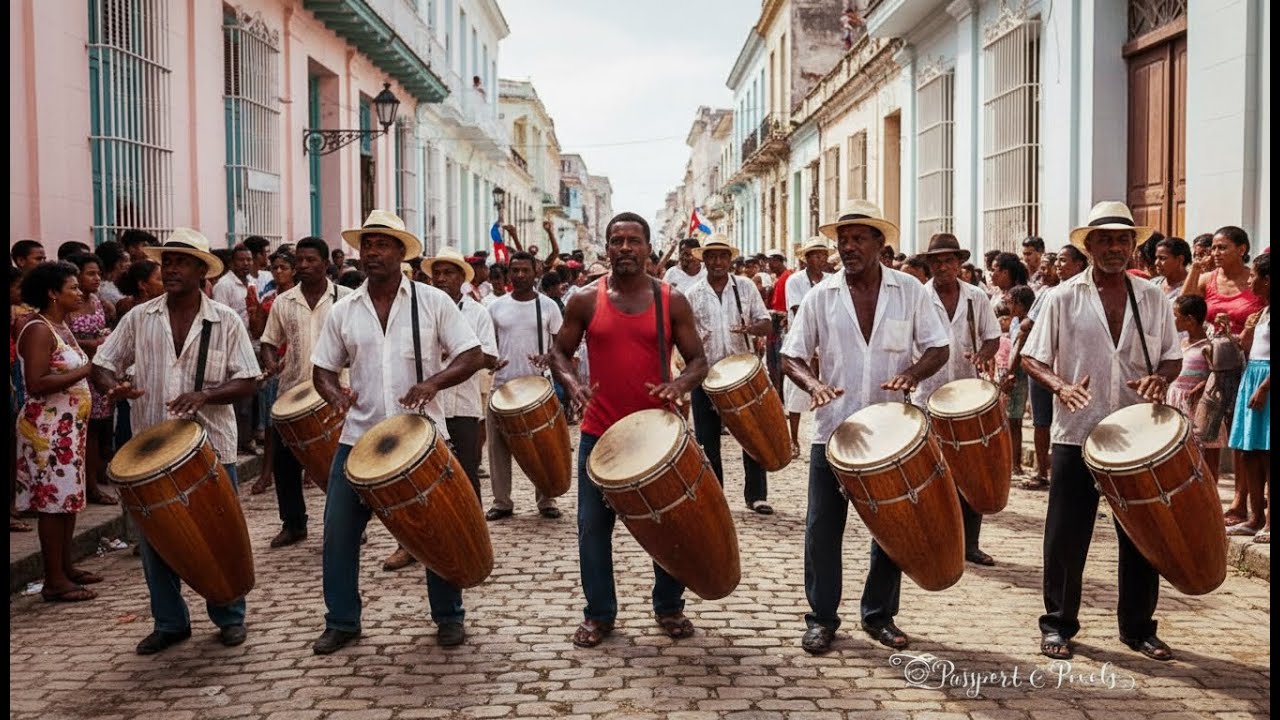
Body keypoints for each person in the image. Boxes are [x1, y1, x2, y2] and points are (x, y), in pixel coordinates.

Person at [309, 210, 484, 654]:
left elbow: (472, 354)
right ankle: (342, 621)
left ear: (401, 252)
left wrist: (433, 383)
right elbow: (322, 369)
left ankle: (448, 617)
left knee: (437, 532)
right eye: (366, 244)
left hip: (423, 439)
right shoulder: (344, 309)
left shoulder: (432, 302)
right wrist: (334, 396)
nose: (371, 252)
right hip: (359, 440)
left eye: (381, 244)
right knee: (338, 534)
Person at [781, 200, 950, 655]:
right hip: (834, 431)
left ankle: (879, 615)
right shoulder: (821, 296)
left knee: (892, 530)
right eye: (843, 239)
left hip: (890, 434)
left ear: (880, 242)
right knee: (821, 529)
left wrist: (912, 374)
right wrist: (812, 383)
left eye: (859, 238)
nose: (849, 247)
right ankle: (821, 617)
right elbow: (790, 354)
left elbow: (939, 346)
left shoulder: (910, 292)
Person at [1021, 200, 1182, 662]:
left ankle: (1138, 628)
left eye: (1123, 239)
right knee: (1067, 535)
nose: (1115, 247)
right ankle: (1057, 625)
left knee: (1141, 536)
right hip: (1078, 432)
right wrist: (1061, 385)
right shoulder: (1063, 296)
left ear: (1134, 245)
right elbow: (1032, 357)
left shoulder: (1151, 296)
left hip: (1136, 434)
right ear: (1088, 245)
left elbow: (1171, 354)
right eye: (1105, 239)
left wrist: (1161, 377)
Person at [92, 228, 260, 654]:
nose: (171, 270)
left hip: (211, 448)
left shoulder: (226, 320)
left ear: (202, 271)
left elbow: (248, 380)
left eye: (181, 262)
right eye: (167, 262)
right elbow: (103, 363)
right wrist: (114, 387)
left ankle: (229, 616)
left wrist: (205, 394)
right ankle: (169, 622)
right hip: (150, 451)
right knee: (156, 544)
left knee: (218, 534)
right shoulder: (138, 317)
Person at [549, 211, 709, 649]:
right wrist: (573, 383)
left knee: (668, 527)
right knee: (592, 528)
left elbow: (699, 360)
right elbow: (559, 352)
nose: (624, 248)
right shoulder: (584, 299)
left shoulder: (670, 300)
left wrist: (679, 384)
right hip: (600, 435)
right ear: (606, 247)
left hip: (656, 437)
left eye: (632, 241)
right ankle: (599, 614)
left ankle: (669, 606)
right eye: (616, 241)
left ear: (647, 248)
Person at [256, 238, 351, 547]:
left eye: (311, 260)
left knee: (341, 463)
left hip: (338, 393)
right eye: (300, 260)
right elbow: (270, 341)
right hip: (293, 394)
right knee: (286, 464)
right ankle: (293, 523)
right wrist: (270, 363)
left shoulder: (347, 299)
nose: (304, 266)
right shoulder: (284, 301)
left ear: (326, 264)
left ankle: (351, 524)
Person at [915, 234, 1002, 565]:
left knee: (970, 471)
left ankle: (970, 543)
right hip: (927, 394)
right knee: (932, 473)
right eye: (937, 261)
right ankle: (936, 540)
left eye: (949, 260)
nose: (943, 267)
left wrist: (982, 355)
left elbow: (993, 337)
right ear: (930, 265)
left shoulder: (975, 298)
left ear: (959, 263)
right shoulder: (919, 298)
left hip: (965, 398)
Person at [16, 261, 97, 601]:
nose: (79, 293)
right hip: (46, 432)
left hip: (68, 431)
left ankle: (66, 565)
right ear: (52, 293)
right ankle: (54, 580)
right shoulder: (38, 329)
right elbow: (36, 383)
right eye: (73, 288)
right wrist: (86, 371)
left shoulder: (61, 327)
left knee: (68, 500)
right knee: (52, 503)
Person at [684, 235, 773, 514]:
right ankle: (716, 496)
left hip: (741, 375)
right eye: (712, 256)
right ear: (704, 259)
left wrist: (752, 329)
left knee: (751, 436)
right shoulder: (693, 294)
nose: (717, 262)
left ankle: (757, 495)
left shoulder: (745, 288)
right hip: (706, 377)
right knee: (707, 439)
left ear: (730, 259)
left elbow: (767, 323)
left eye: (723, 256)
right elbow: (685, 335)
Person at [484, 251, 565, 521]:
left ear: (535, 273)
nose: (519, 275)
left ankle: (546, 499)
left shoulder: (549, 307)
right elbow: (485, 344)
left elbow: (562, 346)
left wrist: (548, 357)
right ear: (509, 273)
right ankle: (502, 501)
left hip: (537, 389)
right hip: (502, 387)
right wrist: (490, 360)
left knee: (542, 446)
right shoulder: (495, 307)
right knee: (497, 448)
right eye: (514, 270)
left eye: (524, 270)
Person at [1016, 246, 1089, 490]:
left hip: (1072, 370)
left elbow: (1026, 324)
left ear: (1079, 264)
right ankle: (1042, 470)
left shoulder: (1088, 294)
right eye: (1056, 260)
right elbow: (1029, 325)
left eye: (1063, 260)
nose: (1058, 265)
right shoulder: (1050, 294)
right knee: (1041, 421)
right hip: (1044, 365)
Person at [65, 253, 117, 506]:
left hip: (97, 371)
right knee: (82, 431)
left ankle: (93, 483)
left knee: (98, 429)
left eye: (98, 273)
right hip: (76, 372)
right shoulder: (67, 306)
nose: (97, 278)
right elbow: (64, 338)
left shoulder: (97, 302)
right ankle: (87, 486)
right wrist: (93, 342)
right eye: (90, 274)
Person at [1225, 253, 1270, 540]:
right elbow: (1248, 349)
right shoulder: (1263, 312)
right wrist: (1246, 331)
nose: (1249, 280)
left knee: (1268, 454)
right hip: (1252, 377)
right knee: (1250, 454)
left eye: (1254, 276)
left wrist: (1264, 388)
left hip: (1265, 384)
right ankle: (1255, 517)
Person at [1168, 295, 1227, 485]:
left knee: (1207, 457)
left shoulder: (1208, 346)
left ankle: (1210, 496)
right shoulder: (1180, 343)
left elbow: (1218, 374)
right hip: (1178, 402)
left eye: (1176, 315)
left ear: (1190, 320)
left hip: (1201, 405)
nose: (1172, 319)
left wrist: (1203, 385)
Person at [782, 237, 832, 459]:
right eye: (816, 255)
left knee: (829, 388)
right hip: (803, 338)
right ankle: (793, 439)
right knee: (797, 392)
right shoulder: (795, 281)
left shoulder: (831, 279)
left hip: (829, 339)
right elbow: (798, 309)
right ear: (807, 258)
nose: (821, 259)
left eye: (823, 254)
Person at [212, 244, 261, 453]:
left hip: (251, 342)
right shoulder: (224, 285)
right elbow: (221, 318)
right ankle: (239, 441)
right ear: (232, 262)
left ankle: (248, 437)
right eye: (241, 260)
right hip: (231, 345)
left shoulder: (251, 283)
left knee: (251, 396)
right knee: (238, 399)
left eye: (249, 259)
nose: (246, 264)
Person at [1183, 226, 1263, 334]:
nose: (1215, 253)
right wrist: (1195, 269)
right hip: (1210, 348)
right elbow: (1183, 308)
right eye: (1213, 248)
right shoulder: (1207, 280)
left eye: (1222, 248)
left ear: (1242, 250)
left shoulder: (1257, 280)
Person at [1153, 236, 1191, 301]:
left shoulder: (1193, 286)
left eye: (1162, 258)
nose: (1156, 263)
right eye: (1156, 258)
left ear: (1180, 259)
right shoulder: (1153, 284)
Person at [95, 241, 131, 305]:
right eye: (125, 261)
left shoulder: (116, 283)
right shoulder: (104, 290)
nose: (129, 264)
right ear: (116, 263)